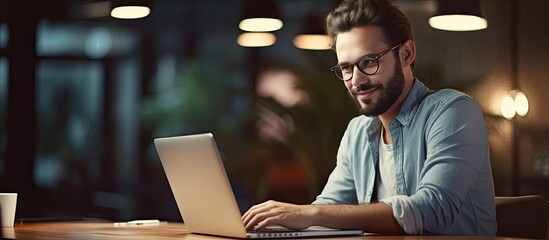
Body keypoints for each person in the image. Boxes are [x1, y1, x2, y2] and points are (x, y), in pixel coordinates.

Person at [242, 0, 497, 236]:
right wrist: (274, 226)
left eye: (369, 62)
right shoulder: (357, 131)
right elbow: (329, 209)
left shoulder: (452, 111)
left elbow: (432, 209)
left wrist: (308, 213)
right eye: (346, 67)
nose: (356, 80)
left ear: (407, 54)